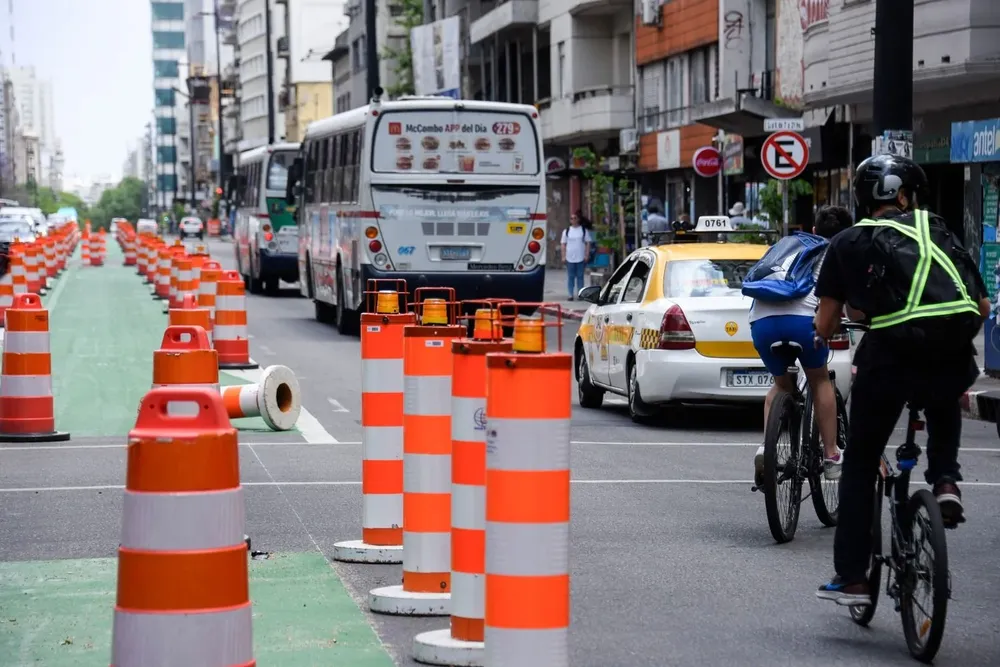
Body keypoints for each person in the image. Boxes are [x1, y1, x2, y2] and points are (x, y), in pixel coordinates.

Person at [813, 154, 990, 607]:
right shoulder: (937, 228)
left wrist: (848, 320)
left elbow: (828, 323)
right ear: (906, 196)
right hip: (950, 355)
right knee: (944, 390)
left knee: (860, 462)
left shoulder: (848, 243)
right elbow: (982, 307)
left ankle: (852, 578)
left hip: (888, 361)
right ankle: (946, 481)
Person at [749, 205, 854, 487]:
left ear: (814, 231)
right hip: (804, 323)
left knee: (781, 385)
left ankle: (766, 449)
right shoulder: (841, 252)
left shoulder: (786, 246)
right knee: (820, 380)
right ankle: (831, 455)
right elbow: (850, 307)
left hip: (761, 322)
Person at [561, 211, 593, 300]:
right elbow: (563, 244)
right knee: (570, 277)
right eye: (571, 218)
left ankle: (580, 294)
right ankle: (570, 294)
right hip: (570, 257)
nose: (573, 220)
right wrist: (563, 256)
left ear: (578, 219)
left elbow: (588, 243)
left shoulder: (583, 230)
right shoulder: (566, 231)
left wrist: (587, 255)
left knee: (580, 277)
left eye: (575, 218)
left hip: (580, 257)